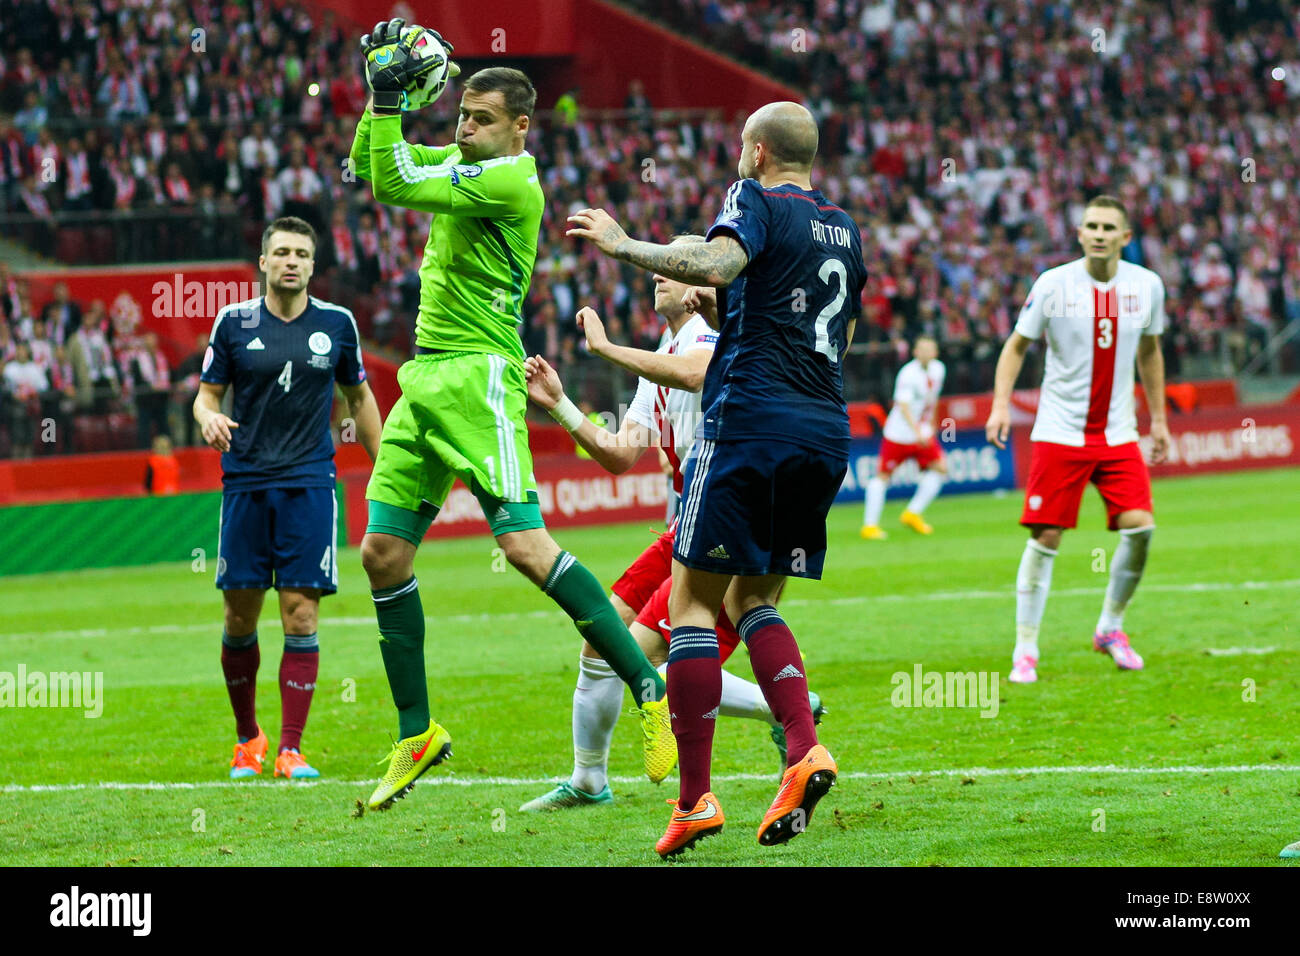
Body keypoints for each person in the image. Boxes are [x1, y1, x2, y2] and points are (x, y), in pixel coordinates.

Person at [347, 19, 674, 814]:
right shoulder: (465, 162)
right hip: (424, 377)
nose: (463, 130)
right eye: (460, 117)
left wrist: (392, 97)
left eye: (480, 120)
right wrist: (376, 90)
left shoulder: (511, 183)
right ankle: (417, 732)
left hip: (479, 378)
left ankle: (646, 683)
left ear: (519, 127)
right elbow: (367, 166)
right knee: (382, 554)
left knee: (527, 550)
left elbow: (392, 185)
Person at [567, 100, 867, 857]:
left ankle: (696, 800)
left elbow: (719, 261)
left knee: (695, 604)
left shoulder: (755, 198)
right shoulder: (845, 227)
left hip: (751, 424)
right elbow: (833, 331)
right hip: (824, 428)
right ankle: (803, 749)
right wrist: (734, 309)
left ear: (757, 152)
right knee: (755, 598)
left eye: (741, 147)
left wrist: (622, 243)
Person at [518, 265, 825, 812]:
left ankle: (786, 712)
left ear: (701, 285)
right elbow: (619, 454)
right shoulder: (661, 353)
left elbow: (695, 375)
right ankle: (589, 780)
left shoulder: (710, 332)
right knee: (601, 641)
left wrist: (607, 349)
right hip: (688, 517)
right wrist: (560, 404)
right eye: (655, 269)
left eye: (673, 268)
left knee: (644, 658)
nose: (659, 274)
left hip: (727, 514)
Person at [194, 215, 382, 780]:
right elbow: (204, 398)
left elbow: (361, 400)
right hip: (246, 484)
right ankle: (248, 739)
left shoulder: (338, 324)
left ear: (313, 264)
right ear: (264, 261)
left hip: (309, 484)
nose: (292, 261)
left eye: (301, 252)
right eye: (282, 252)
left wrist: (387, 468)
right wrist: (207, 418)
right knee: (238, 614)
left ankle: (291, 749)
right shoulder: (233, 323)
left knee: (300, 614)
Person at [985, 195, 1170, 685]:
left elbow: (1150, 352)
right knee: (1045, 537)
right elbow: (1016, 346)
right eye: (1092, 225)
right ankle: (1025, 647)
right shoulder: (1053, 284)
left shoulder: (1146, 286)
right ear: (1081, 233)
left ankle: (1110, 628)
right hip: (1059, 433)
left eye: (1110, 226)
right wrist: (1001, 404)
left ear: (1125, 237)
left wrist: (1161, 420)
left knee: (1141, 528)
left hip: (1119, 434)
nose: (1100, 233)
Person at [861, 335, 948, 539]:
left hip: (921, 431)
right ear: (915, 352)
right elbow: (904, 406)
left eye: (930, 349)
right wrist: (918, 432)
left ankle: (912, 513)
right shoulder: (907, 374)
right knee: (883, 476)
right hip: (899, 434)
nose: (926, 353)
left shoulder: (939, 369)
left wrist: (932, 424)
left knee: (941, 468)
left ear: (935, 352)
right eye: (921, 349)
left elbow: (933, 400)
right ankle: (869, 526)